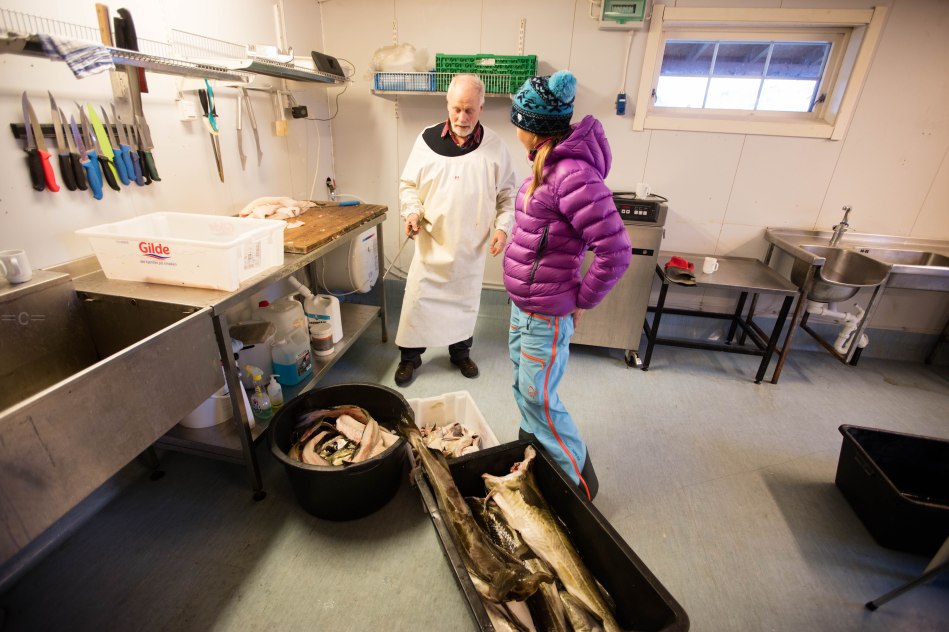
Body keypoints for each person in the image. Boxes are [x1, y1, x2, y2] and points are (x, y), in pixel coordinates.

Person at [503, 70, 632, 501]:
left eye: (518, 118)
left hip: (546, 313)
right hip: (524, 308)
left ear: (533, 126)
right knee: (525, 388)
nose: (515, 126)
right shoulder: (546, 167)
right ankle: (535, 458)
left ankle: (579, 487)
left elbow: (615, 250)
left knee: (540, 399)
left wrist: (583, 298)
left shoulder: (572, 175)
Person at [394, 74, 517, 387]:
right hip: (431, 243)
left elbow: (507, 196)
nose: (462, 118)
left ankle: (460, 352)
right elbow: (408, 186)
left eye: (470, 110)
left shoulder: (495, 148)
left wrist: (502, 229)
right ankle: (410, 357)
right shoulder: (425, 141)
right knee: (417, 301)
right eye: (456, 109)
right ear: (447, 105)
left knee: (464, 304)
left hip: (468, 248)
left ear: (481, 107)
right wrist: (411, 212)